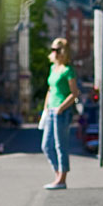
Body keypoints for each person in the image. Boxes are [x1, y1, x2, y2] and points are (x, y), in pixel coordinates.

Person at [40, 37, 78, 189]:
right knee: (46, 146)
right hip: (50, 110)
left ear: (63, 52)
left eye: (57, 50)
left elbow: (74, 93)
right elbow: (50, 90)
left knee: (60, 145)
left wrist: (61, 108)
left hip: (62, 111)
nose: (54, 52)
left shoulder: (68, 70)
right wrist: (45, 108)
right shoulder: (52, 68)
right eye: (52, 49)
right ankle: (57, 174)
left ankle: (62, 179)